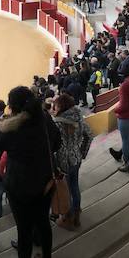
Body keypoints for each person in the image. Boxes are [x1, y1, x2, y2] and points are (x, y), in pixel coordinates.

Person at [0, 86, 60, 258]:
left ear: (12, 107)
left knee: (24, 228)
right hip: (45, 180)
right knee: (43, 222)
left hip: (19, 185)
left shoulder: (9, 128)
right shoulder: (45, 118)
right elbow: (56, 143)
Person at [52, 93, 92, 230]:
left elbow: (57, 145)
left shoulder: (57, 123)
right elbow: (89, 135)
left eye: (56, 105)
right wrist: (82, 152)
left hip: (64, 161)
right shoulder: (79, 118)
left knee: (67, 188)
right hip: (77, 158)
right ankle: (76, 212)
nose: (54, 108)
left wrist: (58, 164)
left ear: (61, 106)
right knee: (74, 186)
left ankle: (69, 216)